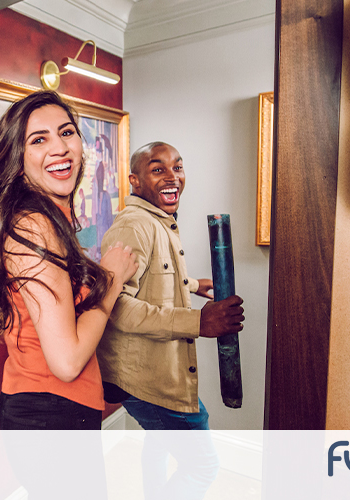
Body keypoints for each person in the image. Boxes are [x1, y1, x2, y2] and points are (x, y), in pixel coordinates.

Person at [0, 90, 137, 430]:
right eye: (39, 139)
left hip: (57, 406)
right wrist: (112, 280)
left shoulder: (50, 217)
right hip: (48, 411)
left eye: (66, 132)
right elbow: (67, 362)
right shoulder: (34, 226)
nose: (60, 147)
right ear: (17, 160)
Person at [98, 141, 245, 500]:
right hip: (148, 378)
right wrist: (199, 322)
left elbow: (154, 276)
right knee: (202, 465)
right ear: (135, 180)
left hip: (153, 371)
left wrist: (192, 285)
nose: (172, 176)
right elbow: (117, 308)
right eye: (158, 168)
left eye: (177, 167)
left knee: (159, 442)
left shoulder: (158, 221)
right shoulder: (134, 226)